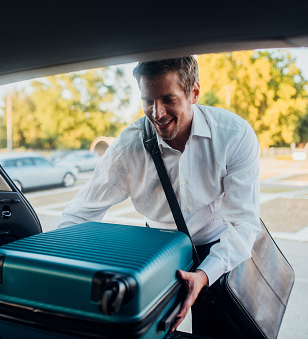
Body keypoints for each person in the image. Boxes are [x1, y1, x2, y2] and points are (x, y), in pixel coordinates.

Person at [58, 56, 261, 337]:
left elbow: (244, 223)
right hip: (159, 251)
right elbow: (80, 213)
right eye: (148, 101)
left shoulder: (235, 136)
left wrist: (204, 274)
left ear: (194, 93)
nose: (157, 113)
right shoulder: (127, 148)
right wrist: (60, 265)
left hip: (220, 246)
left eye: (168, 99)